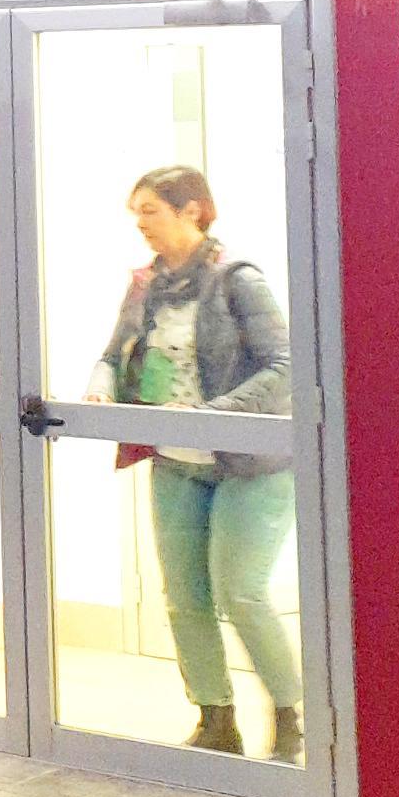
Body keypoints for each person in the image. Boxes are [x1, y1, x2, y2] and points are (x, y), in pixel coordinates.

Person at [84, 162, 300, 761]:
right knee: (184, 596)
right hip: (176, 463)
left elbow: (284, 366)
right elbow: (112, 352)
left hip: (250, 463)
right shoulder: (144, 285)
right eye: (137, 215)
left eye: (150, 212)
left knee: (242, 592)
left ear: (193, 211)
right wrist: (102, 386)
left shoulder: (238, 280)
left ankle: (289, 718)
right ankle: (215, 719)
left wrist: (214, 413)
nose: (142, 227)